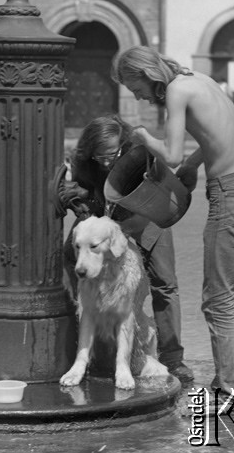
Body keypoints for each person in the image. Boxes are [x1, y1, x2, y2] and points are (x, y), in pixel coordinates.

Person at [111, 46, 234, 409]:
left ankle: (231, 389)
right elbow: (220, 128)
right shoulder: (199, 79)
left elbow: (172, 153)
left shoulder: (176, 92)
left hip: (230, 193)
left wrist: (141, 136)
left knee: (218, 299)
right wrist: (199, 164)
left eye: (135, 88)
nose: (139, 96)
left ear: (146, 75)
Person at [60, 114, 194, 384]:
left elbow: (164, 185)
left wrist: (129, 228)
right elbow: (86, 193)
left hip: (148, 217)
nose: (107, 162)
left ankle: (173, 359)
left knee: (164, 284)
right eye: (100, 157)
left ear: (124, 143)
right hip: (108, 219)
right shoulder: (84, 160)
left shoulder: (138, 152)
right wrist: (80, 199)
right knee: (69, 257)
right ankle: (80, 345)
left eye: (112, 154)